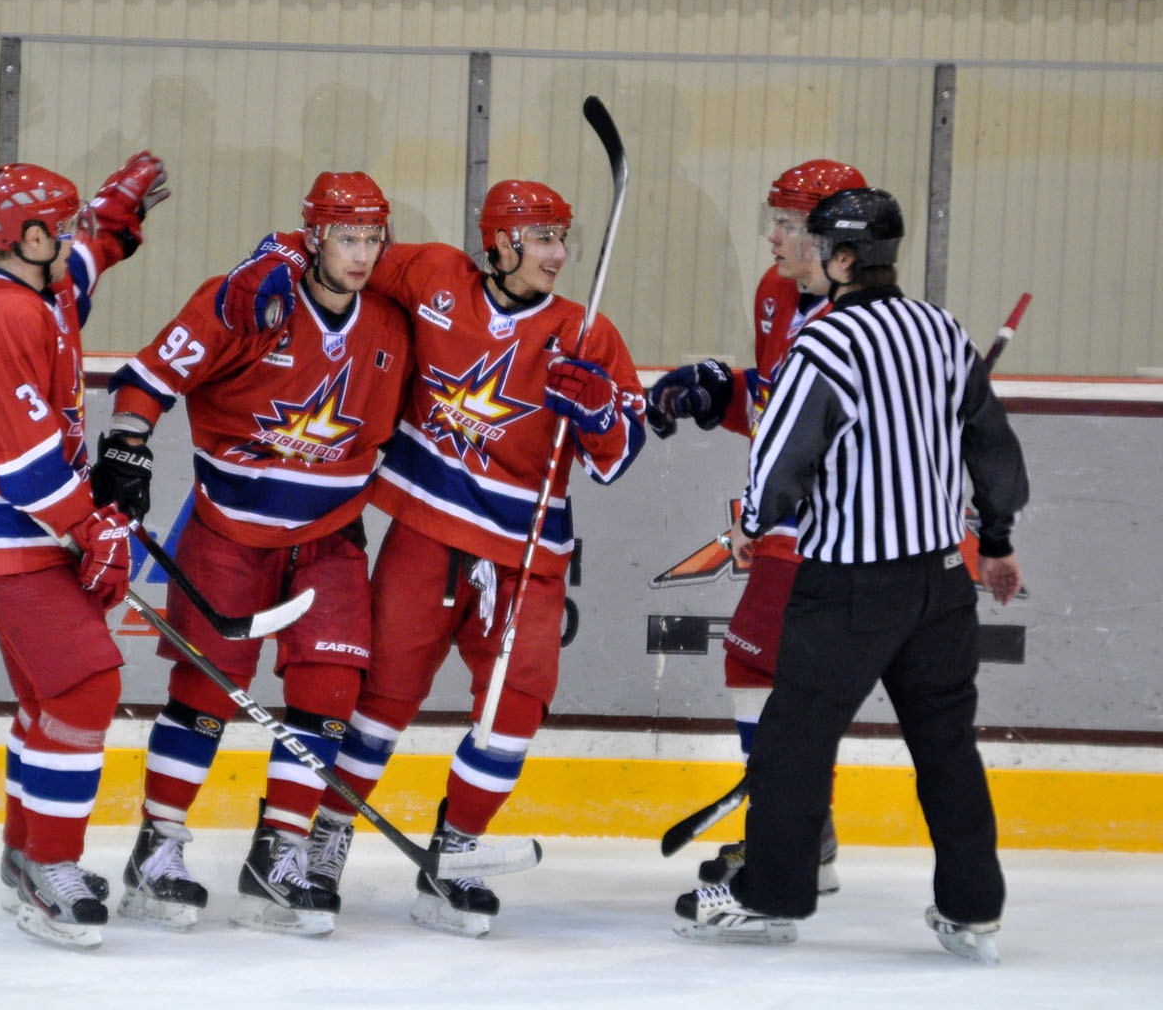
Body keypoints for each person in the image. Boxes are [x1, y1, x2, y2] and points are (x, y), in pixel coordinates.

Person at [217, 179, 648, 937]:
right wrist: (270, 261)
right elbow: (341, 250)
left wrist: (601, 414)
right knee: (379, 699)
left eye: (562, 237)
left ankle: (456, 852)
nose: (558, 254)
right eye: (543, 238)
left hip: (525, 557)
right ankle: (324, 836)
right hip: (424, 531)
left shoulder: (589, 333)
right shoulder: (434, 275)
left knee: (515, 710)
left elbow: (616, 460)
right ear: (502, 243)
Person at [672, 188, 1029, 966]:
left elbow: (780, 462)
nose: (799, 252)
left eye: (814, 244)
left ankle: (771, 894)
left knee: (794, 742)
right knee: (946, 746)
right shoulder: (943, 332)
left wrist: (754, 523)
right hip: (941, 586)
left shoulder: (825, 345)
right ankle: (974, 908)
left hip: (849, 588)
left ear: (839, 259)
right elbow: (995, 449)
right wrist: (995, 537)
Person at [99, 171, 412, 938]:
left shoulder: (392, 328)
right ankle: (157, 849)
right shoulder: (249, 299)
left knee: (331, 690)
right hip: (230, 536)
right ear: (313, 237)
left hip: (329, 539)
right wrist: (127, 448)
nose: (363, 254)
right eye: (347, 237)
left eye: (374, 238)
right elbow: (147, 376)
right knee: (206, 692)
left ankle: (280, 853)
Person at [0, 155, 169, 949]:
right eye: (58, 229)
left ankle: (25, 854)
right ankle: (51, 868)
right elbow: (26, 467)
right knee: (88, 681)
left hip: (15, 532)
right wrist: (91, 527)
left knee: (47, 692)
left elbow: (87, 260)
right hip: (5, 535)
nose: (71, 241)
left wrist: (116, 215)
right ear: (27, 238)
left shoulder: (41, 281)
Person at [646, 160, 867, 893]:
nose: (772, 236)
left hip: (837, 531)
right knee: (765, 668)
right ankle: (803, 830)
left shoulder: (864, 320)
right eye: (774, 218)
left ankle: (790, 836)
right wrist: (718, 391)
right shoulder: (778, 294)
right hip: (784, 522)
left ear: (831, 237)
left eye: (789, 225)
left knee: (762, 665)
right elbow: (774, 402)